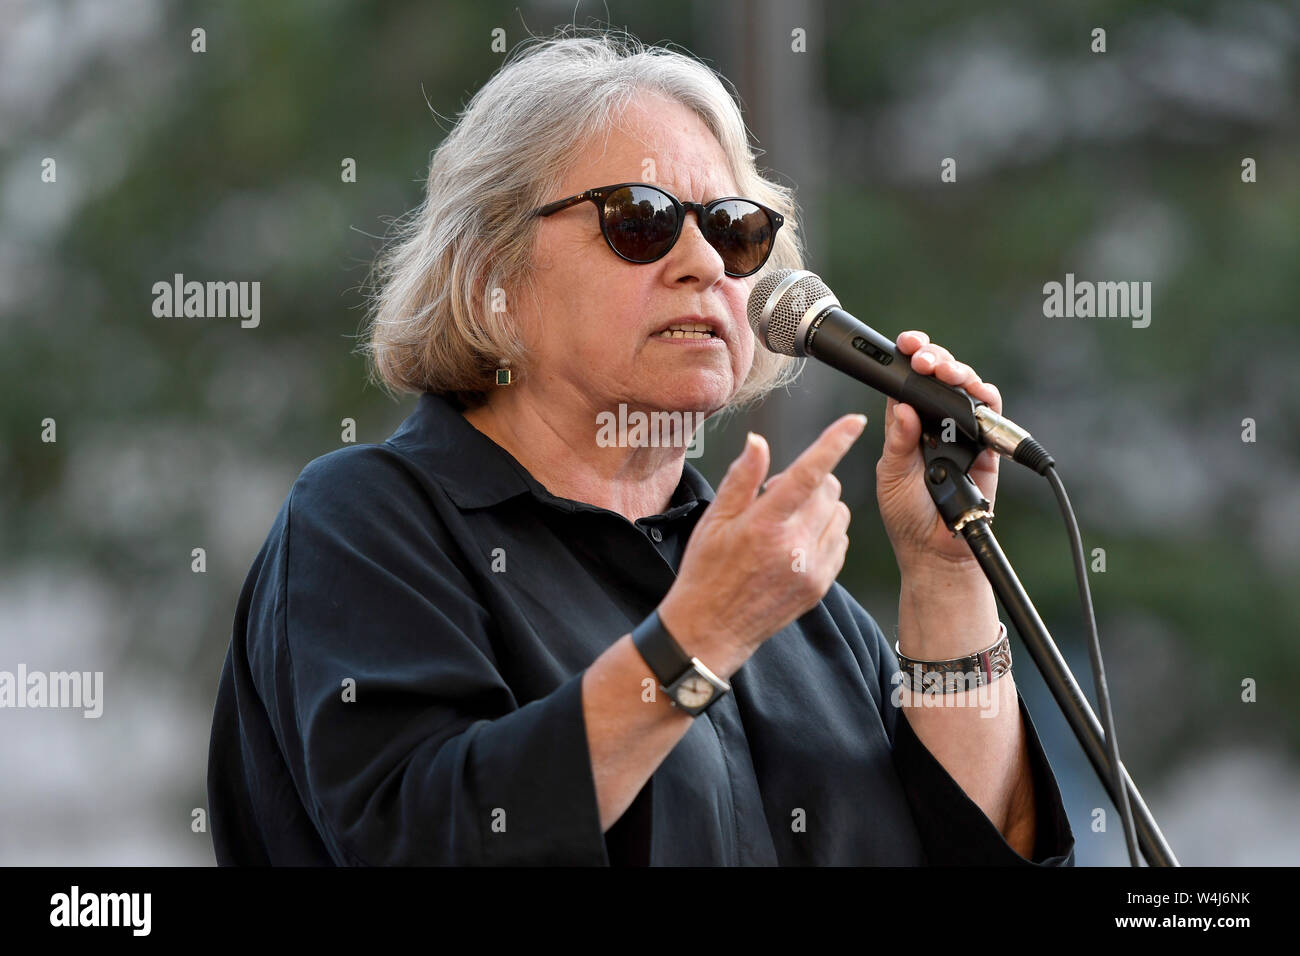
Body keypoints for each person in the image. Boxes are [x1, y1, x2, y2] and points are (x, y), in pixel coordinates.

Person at [207, 30, 1075, 866]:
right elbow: (428, 836)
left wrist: (945, 571)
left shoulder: (784, 593)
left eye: (735, 229)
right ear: (495, 279)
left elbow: (983, 849)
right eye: (641, 220)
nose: (703, 261)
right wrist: (698, 638)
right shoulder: (369, 523)